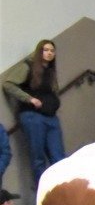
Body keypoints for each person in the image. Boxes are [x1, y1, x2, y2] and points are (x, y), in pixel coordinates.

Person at [3, 39, 64, 188]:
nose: (49, 53)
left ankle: (61, 190)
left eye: (52, 51)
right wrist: (29, 99)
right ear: (39, 51)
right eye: (46, 50)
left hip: (51, 117)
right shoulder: (28, 66)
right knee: (38, 157)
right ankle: (42, 191)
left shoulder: (50, 72)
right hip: (33, 116)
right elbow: (8, 84)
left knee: (59, 157)